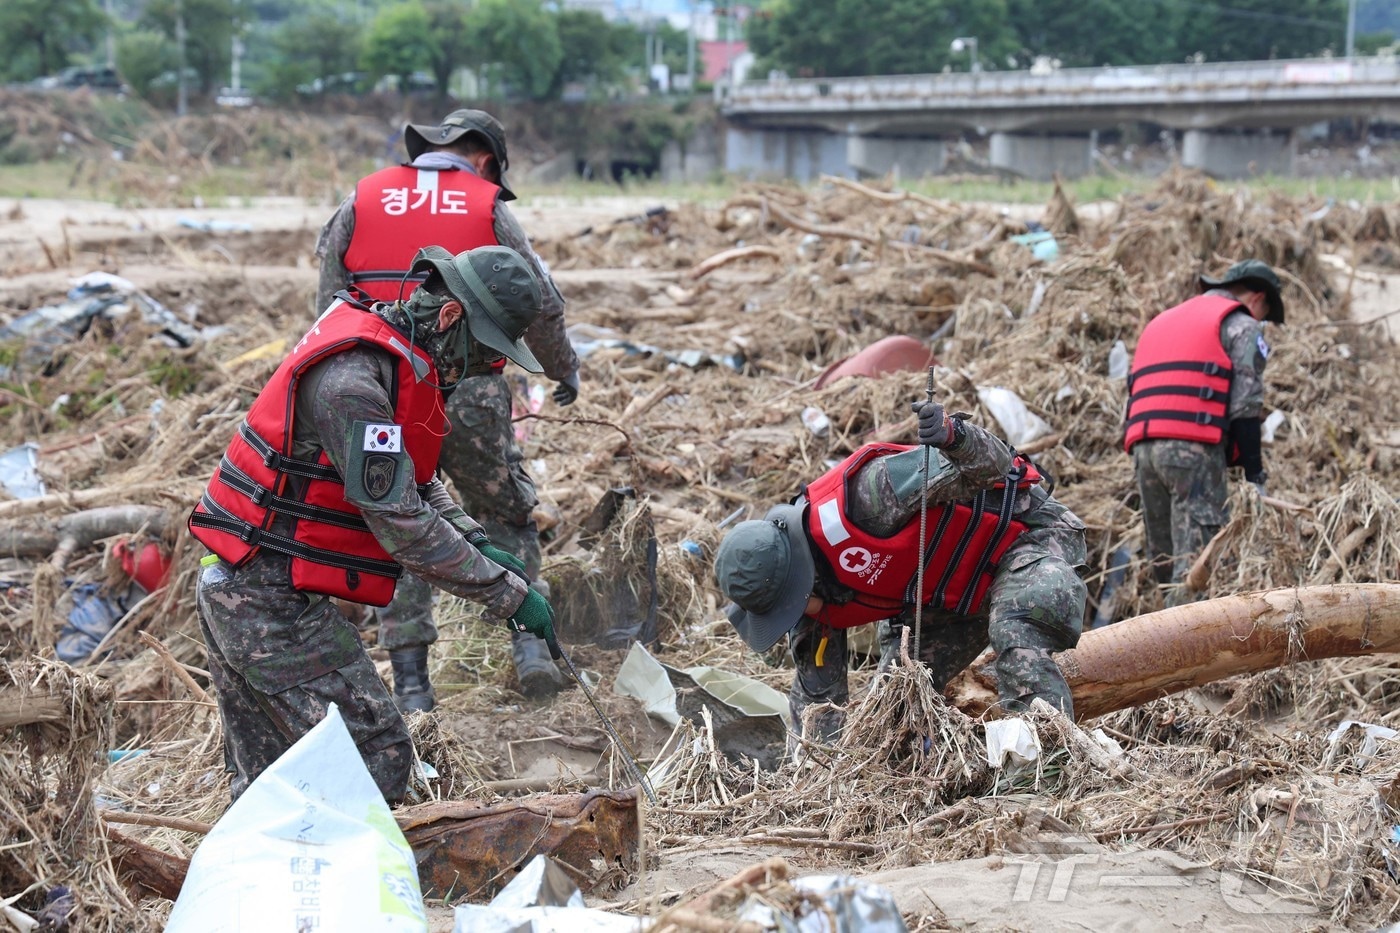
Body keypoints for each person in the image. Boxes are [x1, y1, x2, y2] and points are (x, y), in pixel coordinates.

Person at [188, 244, 560, 804]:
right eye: (486, 352)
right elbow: (399, 521)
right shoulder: (352, 386)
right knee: (378, 750)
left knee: (271, 778)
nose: (487, 368)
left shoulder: (392, 359)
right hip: (262, 603)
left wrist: (477, 540)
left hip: (253, 589)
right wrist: (506, 594)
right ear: (451, 317)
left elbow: (410, 480)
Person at [315, 108, 581, 707]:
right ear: (486, 158)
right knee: (507, 511)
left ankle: (411, 681)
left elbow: (328, 303)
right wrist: (564, 369)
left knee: (399, 516)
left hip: (378, 382)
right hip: (474, 387)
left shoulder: (361, 200)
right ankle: (530, 646)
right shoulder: (487, 204)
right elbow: (539, 301)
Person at [713, 399, 1088, 746]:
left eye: (792, 607)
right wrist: (816, 776)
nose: (797, 618)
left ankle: (1049, 762)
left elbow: (995, 465)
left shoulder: (872, 496)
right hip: (950, 597)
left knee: (1015, 631)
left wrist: (954, 436)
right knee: (893, 706)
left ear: (802, 577)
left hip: (1029, 542)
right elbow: (817, 706)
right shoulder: (809, 610)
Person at [1123, 258, 1284, 607]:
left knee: (1163, 566)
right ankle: (1184, 656)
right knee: (1194, 572)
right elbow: (1246, 406)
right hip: (1191, 452)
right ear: (1257, 299)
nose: (1262, 322)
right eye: (1265, 314)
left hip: (1143, 448)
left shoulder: (1164, 319)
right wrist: (1255, 473)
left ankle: (1157, 649)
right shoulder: (1242, 324)